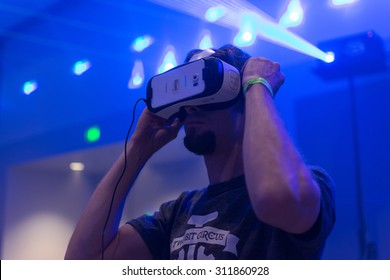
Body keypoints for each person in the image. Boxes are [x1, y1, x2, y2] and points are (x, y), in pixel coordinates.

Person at [65, 44, 335, 260]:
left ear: (242, 97)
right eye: (189, 99)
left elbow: (275, 197)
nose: (192, 107)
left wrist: (257, 87)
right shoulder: (179, 212)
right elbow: (84, 259)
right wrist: (137, 148)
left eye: (207, 94)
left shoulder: (309, 184)